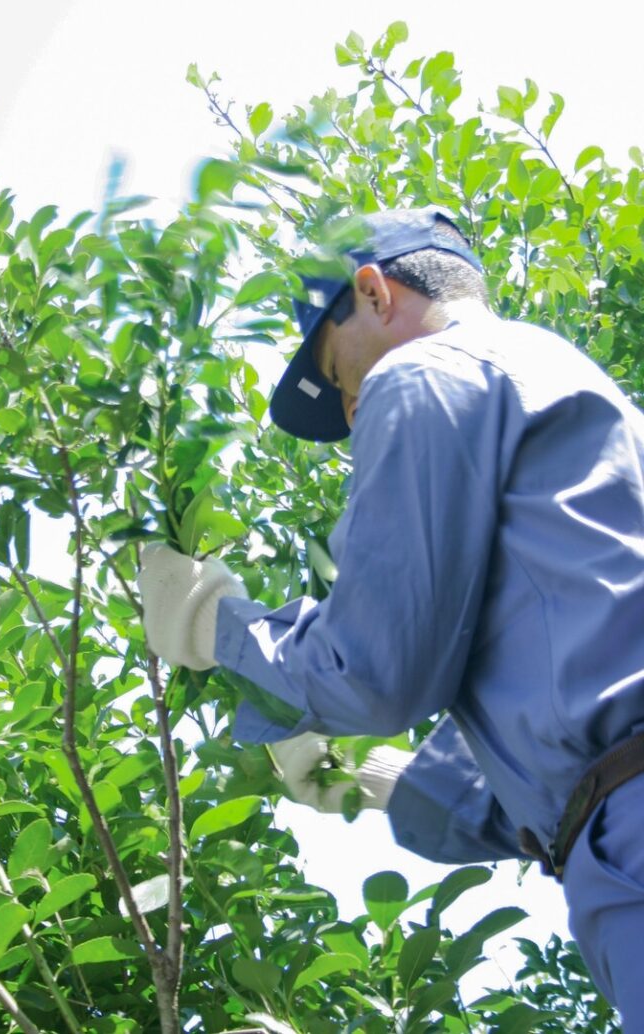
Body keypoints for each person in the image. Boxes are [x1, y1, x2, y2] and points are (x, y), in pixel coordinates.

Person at [139, 208, 644, 1028]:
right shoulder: (570, 385)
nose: (350, 412)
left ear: (373, 292)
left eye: (339, 376)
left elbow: (375, 672)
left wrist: (212, 624)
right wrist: (371, 778)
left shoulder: (424, 373)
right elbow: (562, 753)